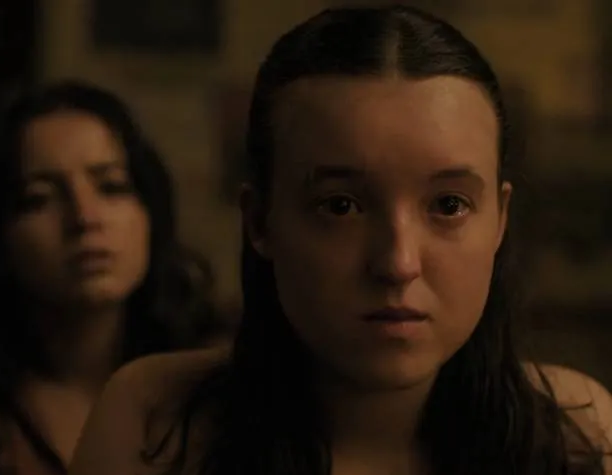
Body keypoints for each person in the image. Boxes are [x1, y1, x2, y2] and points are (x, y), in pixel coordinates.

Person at [68, 6, 612, 475]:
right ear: (260, 221)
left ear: (500, 220)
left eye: (448, 205)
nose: (398, 262)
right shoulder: (159, 426)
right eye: (341, 206)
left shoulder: (575, 434)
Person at [0, 81, 227, 475]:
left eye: (111, 187)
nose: (85, 218)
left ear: (150, 211)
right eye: (39, 198)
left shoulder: (215, 382)